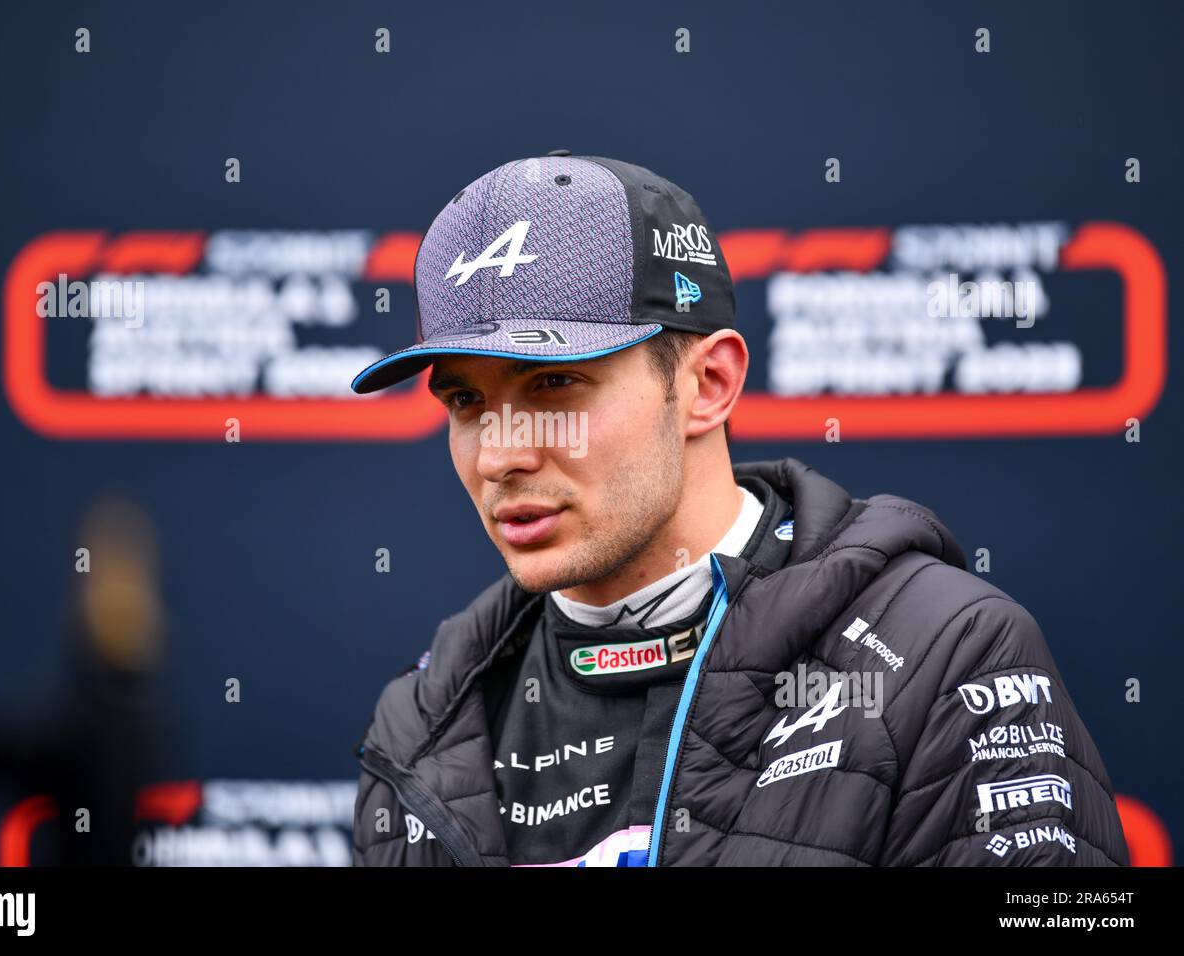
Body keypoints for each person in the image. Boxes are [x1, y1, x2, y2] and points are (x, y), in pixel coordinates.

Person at [347, 151, 1129, 866]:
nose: (500, 454)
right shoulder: (425, 719)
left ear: (708, 384)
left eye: (554, 384)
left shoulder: (941, 656)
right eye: (463, 399)